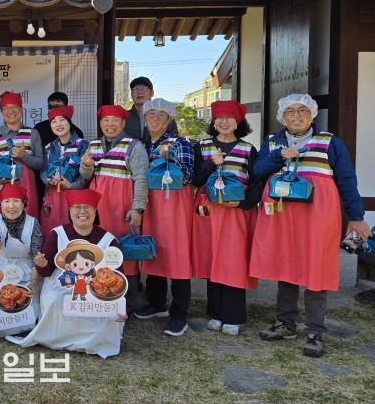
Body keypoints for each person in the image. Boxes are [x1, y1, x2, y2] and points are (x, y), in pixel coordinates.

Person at [250, 93, 370, 357]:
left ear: (312, 114)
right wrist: (279, 156)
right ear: (282, 117)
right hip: (281, 215)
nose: (296, 116)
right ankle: (285, 323)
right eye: (290, 111)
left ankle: (314, 331)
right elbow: (257, 171)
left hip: (318, 214)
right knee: (285, 266)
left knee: (317, 268)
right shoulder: (273, 141)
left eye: (302, 110)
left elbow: (346, 179)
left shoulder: (329, 142)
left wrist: (356, 215)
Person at [8, 189, 126, 359]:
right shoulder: (58, 234)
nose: (82, 212)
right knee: (56, 299)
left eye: (87, 207)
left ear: (95, 211)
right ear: (70, 211)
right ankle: (55, 338)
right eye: (77, 207)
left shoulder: (109, 240)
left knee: (102, 309)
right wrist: (42, 265)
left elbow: (118, 277)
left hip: (96, 287)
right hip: (61, 283)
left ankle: (93, 342)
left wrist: (119, 306)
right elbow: (47, 271)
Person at [191, 100, 262, 336]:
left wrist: (243, 203)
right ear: (213, 122)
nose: (224, 122)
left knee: (233, 261)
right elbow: (195, 179)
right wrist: (211, 163)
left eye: (229, 118)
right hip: (209, 213)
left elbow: (257, 182)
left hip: (236, 212)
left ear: (238, 121)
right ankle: (215, 312)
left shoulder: (248, 149)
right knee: (213, 260)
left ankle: (233, 315)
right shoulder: (202, 147)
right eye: (219, 118)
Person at [134, 98, 195, 337]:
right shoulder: (142, 144)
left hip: (174, 206)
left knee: (178, 257)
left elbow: (188, 175)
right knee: (154, 251)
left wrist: (170, 159)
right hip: (151, 205)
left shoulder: (180, 142)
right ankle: (157, 302)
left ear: (169, 120)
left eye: (162, 114)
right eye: (151, 114)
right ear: (144, 118)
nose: (155, 118)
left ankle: (179, 314)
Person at [80, 104, 148, 312]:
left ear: (123, 123)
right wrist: (86, 165)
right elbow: (86, 176)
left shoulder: (134, 146)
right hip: (97, 208)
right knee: (98, 249)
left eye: (114, 120)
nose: (109, 125)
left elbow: (141, 178)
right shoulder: (93, 145)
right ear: (100, 123)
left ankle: (127, 304)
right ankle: (100, 299)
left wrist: (137, 208)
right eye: (105, 120)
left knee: (125, 252)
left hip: (122, 207)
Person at [0, 91, 43, 220]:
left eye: (14, 107)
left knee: (26, 222)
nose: (11, 111)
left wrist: (24, 156)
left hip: (25, 186)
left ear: (21, 109)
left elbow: (40, 164)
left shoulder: (33, 133)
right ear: (1, 112)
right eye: (6, 108)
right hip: (0, 185)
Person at [40, 105, 89, 237]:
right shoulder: (49, 147)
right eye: (54, 121)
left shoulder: (82, 145)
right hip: (53, 196)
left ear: (69, 122)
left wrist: (71, 185)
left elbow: (86, 176)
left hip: (74, 196)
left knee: (72, 234)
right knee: (52, 233)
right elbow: (43, 171)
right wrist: (48, 180)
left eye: (62, 120)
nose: (58, 124)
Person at [0, 184, 43, 289]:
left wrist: (33, 283)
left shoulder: (33, 223)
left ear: (23, 203)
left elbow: (36, 254)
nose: (11, 206)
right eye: (6, 201)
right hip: (0, 267)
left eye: (16, 201)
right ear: (0, 204)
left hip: (26, 270)